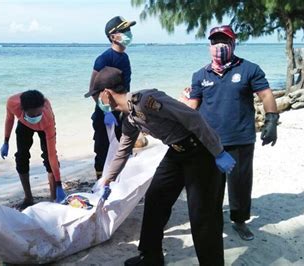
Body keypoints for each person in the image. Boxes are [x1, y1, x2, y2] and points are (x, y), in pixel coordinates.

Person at [88, 67, 236, 265]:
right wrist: (107, 179)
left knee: (202, 216)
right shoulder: (130, 117)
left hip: (200, 152)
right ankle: (151, 257)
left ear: (107, 93)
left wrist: (218, 152)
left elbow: (193, 118)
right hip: (176, 153)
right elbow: (123, 150)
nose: (97, 101)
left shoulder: (146, 100)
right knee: (155, 201)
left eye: (97, 96)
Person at [183, 25, 279, 241]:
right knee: (209, 184)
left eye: (224, 41)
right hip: (209, 140)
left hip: (240, 138)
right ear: (209, 45)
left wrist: (272, 120)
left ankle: (239, 220)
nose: (219, 46)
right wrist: (179, 124)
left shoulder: (249, 69)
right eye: (215, 41)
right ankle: (213, 219)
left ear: (233, 43)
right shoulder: (200, 75)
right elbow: (192, 106)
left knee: (240, 183)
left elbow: (265, 95)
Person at [85, 16, 135, 179]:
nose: (128, 33)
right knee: (103, 150)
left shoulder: (125, 57)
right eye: (124, 31)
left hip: (122, 110)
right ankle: (100, 184)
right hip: (104, 113)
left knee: (124, 148)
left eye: (129, 30)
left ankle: (122, 182)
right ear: (113, 36)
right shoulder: (104, 59)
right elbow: (93, 89)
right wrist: (105, 111)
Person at [0, 90, 66, 209]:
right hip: (24, 124)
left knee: (48, 158)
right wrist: (6, 141)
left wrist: (59, 184)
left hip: (45, 127)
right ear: (22, 110)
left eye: (38, 114)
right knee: (21, 157)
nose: (36, 118)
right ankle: (28, 198)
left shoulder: (47, 118)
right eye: (33, 115)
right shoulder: (12, 103)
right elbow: (9, 119)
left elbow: (52, 155)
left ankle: (54, 197)